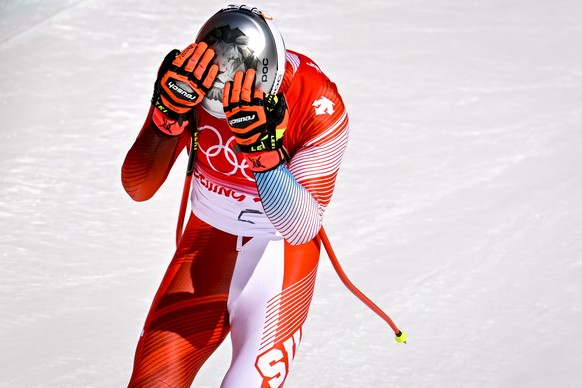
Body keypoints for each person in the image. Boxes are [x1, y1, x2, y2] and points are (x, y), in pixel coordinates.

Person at [121, 4, 349, 387]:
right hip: (205, 248)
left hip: (278, 263)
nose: (223, 107)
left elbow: (302, 227)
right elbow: (139, 187)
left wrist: (262, 152)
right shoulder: (192, 78)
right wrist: (165, 119)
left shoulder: (318, 103)